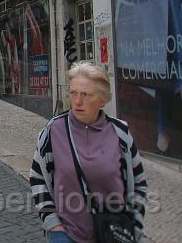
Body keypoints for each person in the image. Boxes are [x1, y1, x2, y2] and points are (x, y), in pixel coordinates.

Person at [30, 62, 148, 243]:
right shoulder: (54, 130)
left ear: (102, 99)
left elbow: (139, 182)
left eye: (86, 95)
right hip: (67, 235)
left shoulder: (120, 133)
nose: (77, 101)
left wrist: (134, 225)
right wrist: (53, 224)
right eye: (73, 93)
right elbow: (38, 177)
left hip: (113, 235)